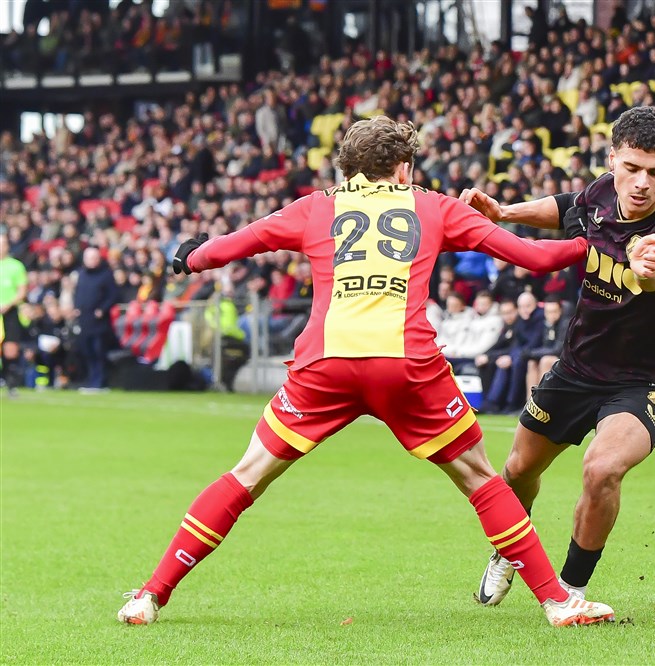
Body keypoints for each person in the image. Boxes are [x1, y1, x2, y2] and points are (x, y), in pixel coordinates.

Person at [117, 116, 617, 628]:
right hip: (406, 367)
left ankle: (150, 595)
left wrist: (192, 258)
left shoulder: (315, 207)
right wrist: (592, 245)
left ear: (348, 168)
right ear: (403, 168)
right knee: (480, 478)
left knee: (246, 475)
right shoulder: (434, 206)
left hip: (325, 367)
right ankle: (558, 602)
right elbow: (534, 258)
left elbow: (242, 242)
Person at [460, 106, 655, 605]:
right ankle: (508, 551)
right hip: (578, 367)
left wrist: (645, 270)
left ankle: (570, 590)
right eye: (631, 168)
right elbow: (566, 206)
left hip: (648, 381)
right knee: (518, 471)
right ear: (612, 158)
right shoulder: (601, 192)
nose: (642, 183)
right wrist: (505, 212)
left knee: (601, 469)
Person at [73, 247, 119, 392]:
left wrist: (102, 309)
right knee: (87, 351)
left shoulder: (106, 274)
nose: (92, 261)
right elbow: (78, 292)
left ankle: (100, 381)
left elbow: (113, 295)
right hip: (84, 319)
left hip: (99, 322)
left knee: (99, 351)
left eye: (94, 258)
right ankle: (91, 379)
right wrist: (76, 306)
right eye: (89, 258)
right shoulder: (82, 274)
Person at [0, 235, 28, 394]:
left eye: (3, 244)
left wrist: (8, 304)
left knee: (10, 349)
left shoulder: (16, 266)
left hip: (10, 312)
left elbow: (22, 291)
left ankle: (11, 383)